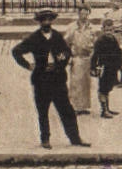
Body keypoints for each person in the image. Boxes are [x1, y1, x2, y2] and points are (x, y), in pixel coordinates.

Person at [11, 8, 90, 149]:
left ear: (52, 21)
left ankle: (75, 138)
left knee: (67, 110)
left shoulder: (57, 37)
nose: (46, 22)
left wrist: (61, 61)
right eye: (43, 20)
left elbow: (66, 51)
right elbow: (16, 51)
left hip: (58, 79)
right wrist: (28, 65)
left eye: (49, 19)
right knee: (43, 111)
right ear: (40, 22)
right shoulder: (34, 38)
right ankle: (45, 139)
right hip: (41, 79)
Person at [90, 18, 122, 119]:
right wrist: (94, 67)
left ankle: (107, 108)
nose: (109, 32)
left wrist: (119, 66)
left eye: (111, 30)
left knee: (108, 87)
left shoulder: (114, 39)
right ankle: (103, 110)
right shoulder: (100, 41)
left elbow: (118, 52)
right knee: (103, 88)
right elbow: (95, 55)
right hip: (104, 67)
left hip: (112, 67)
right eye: (107, 30)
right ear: (103, 29)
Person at [68, 6, 95, 114]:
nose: (84, 16)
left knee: (86, 82)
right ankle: (74, 106)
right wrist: (69, 55)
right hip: (77, 56)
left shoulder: (91, 28)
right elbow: (67, 41)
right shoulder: (72, 27)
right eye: (82, 14)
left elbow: (94, 41)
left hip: (87, 57)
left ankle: (84, 107)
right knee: (76, 82)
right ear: (78, 14)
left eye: (86, 14)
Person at [102, 0, 122, 86]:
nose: (116, 3)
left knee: (121, 57)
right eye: (114, 1)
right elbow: (103, 26)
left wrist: (116, 27)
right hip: (110, 38)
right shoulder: (107, 14)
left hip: (120, 38)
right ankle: (113, 78)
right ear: (110, 2)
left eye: (118, 1)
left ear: (121, 2)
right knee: (111, 58)